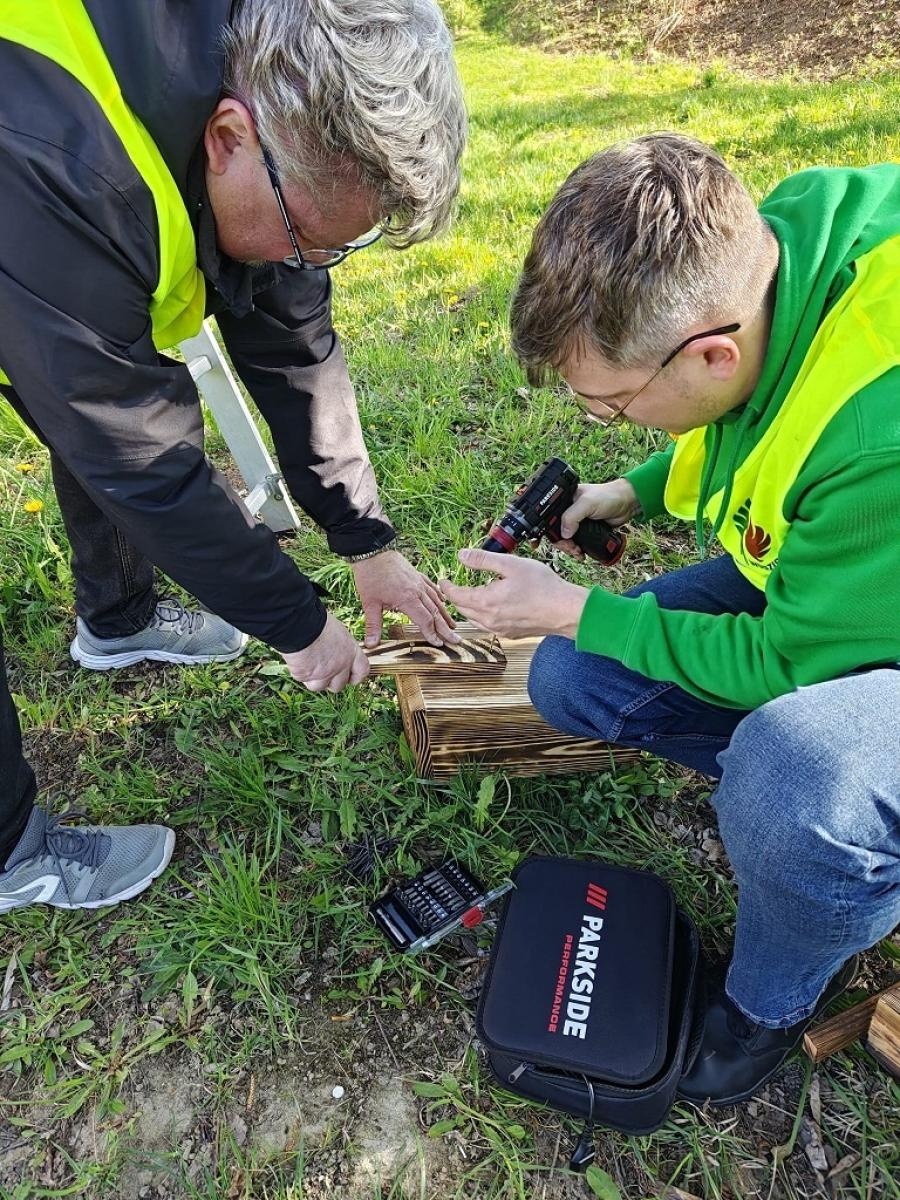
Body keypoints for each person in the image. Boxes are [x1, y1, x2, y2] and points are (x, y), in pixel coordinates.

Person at [440, 134, 900, 1106]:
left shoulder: (878, 435)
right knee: (575, 678)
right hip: (859, 583)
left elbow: (779, 661)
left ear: (709, 351)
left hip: (847, 602)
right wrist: (629, 492)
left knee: (792, 773)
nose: (610, 423)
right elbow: (761, 417)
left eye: (614, 408)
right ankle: (820, 833)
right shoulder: (790, 248)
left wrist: (575, 607)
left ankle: (775, 993)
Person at [0, 0, 465, 913]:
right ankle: (11, 852)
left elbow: (293, 343)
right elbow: (136, 451)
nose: (309, 262)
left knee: (97, 382)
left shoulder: (277, 73)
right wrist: (298, 624)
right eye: (309, 237)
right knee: (102, 406)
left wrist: (366, 540)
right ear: (227, 138)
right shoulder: (64, 169)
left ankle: (119, 618)